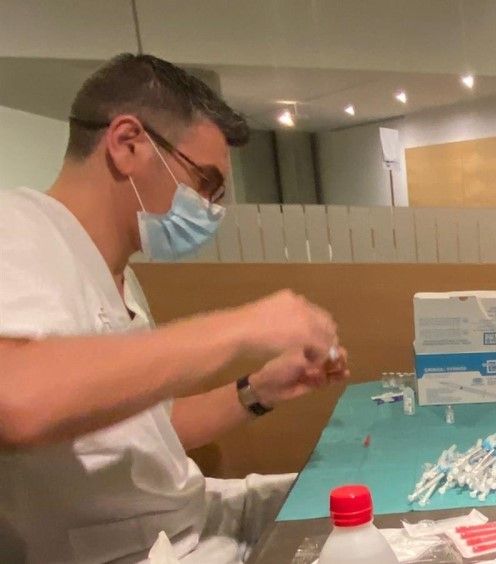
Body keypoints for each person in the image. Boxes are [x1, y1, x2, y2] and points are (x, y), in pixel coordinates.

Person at [0, 54, 348, 563]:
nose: (210, 208)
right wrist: (243, 325)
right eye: (203, 182)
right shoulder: (17, 228)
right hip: (142, 550)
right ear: (128, 144)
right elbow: (16, 399)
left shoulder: (116, 275)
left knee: (359, 503)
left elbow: (150, 433)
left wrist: (259, 390)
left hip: (194, 521)